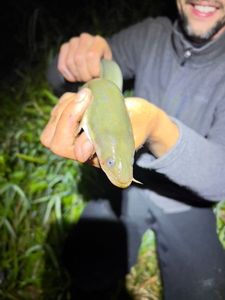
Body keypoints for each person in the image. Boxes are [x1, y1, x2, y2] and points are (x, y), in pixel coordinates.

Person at [41, 0, 225, 299]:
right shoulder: (151, 34)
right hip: (125, 190)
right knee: (84, 270)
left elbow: (220, 179)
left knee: (207, 291)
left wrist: (156, 128)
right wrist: (73, 59)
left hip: (187, 201)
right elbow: (57, 78)